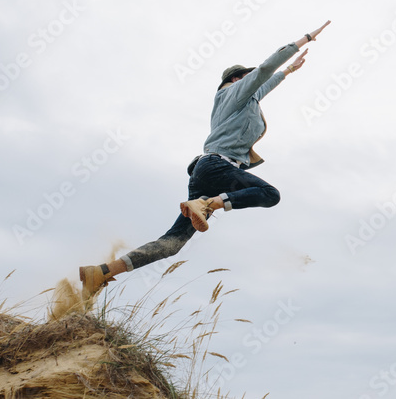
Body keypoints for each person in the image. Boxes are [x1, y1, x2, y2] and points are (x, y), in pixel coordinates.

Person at [78, 21, 331, 301]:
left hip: (205, 173)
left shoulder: (242, 100)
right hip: (217, 167)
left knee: (172, 244)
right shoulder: (232, 93)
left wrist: (289, 72)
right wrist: (303, 40)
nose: (255, 86)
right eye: (246, 79)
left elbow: (266, 82)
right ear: (236, 79)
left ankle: (100, 272)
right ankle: (207, 204)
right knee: (270, 194)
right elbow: (262, 72)